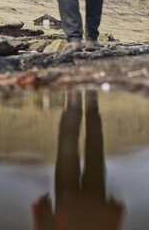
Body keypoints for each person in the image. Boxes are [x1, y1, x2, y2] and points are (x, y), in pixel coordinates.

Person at [32, 90, 125, 230]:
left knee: (92, 152)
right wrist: (41, 208)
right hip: (76, 208)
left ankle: (84, 99)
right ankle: (78, 99)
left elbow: (116, 215)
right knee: (70, 152)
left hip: (86, 206)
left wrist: (115, 209)